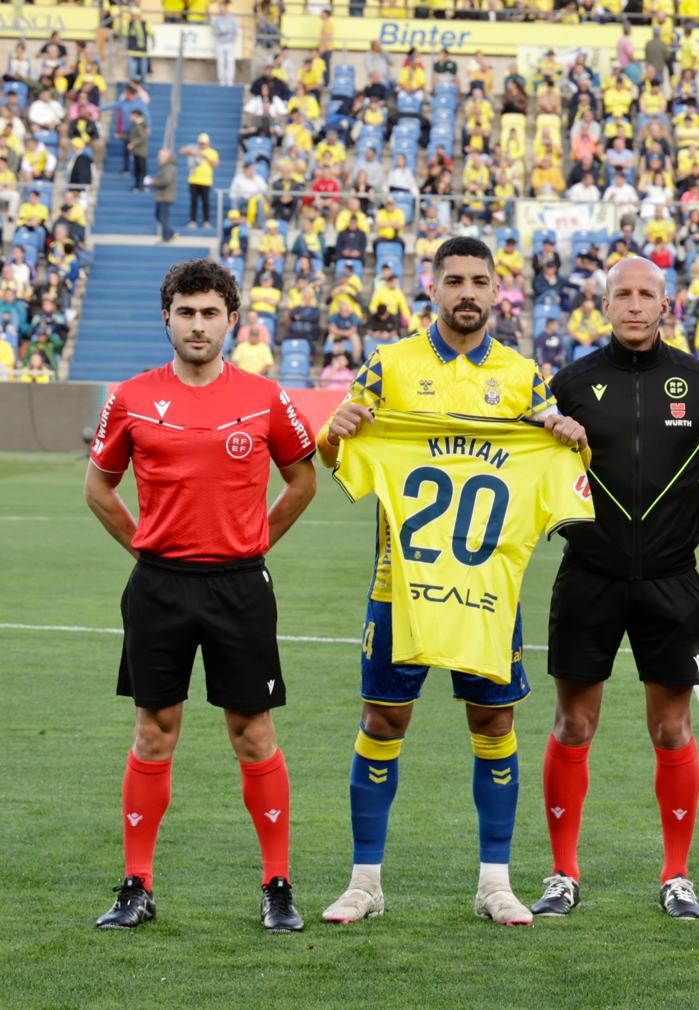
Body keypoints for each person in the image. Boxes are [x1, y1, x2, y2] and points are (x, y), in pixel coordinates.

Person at [316, 237, 588, 927]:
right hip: (399, 583)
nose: (467, 291)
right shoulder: (390, 366)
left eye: (479, 280)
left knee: (494, 720)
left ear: (498, 290)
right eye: (454, 280)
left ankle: (494, 882)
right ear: (431, 287)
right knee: (383, 717)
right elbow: (338, 454)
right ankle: (364, 881)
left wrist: (561, 432)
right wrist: (332, 432)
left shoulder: (524, 378)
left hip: (489, 589)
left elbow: (556, 457)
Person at [85, 259, 319, 931]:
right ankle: (136, 885)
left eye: (209, 312)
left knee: (252, 732)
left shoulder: (266, 397)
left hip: (239, 586)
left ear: (231, 321)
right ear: (167, 318)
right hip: (158, 585)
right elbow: (99, 488)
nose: (197, 325)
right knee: (154, 731)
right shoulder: (130, 397)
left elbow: (301, 481)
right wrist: (143, 546)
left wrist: (258, 539)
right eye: (185, 312)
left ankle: (277, 885)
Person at [532, 257, 699, 921]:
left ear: (666, 303)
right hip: (589, 577)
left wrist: (680, 540)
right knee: (574, 722)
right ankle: (563, 873)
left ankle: (676, 876)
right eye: (624, 294)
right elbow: (541, 478)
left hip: (672, 582)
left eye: (647, 294)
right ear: (605, 303)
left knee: (671, 729)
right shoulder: (572, 383)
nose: (636, 305)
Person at [149, 147, 176, 242]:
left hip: (165, 196)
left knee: (163, 217)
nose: (158, 158)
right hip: (161, 196)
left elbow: (166, 180)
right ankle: (170, 233)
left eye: (160, 156)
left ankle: (166, 237)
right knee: (159, 216)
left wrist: (153, 182)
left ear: (166, 157)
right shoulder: (164, 167)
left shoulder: (169, 167)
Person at [211, 0, 239, 86]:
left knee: (230, 62)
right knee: (221, 62)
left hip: (229, 43)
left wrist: (229, 38)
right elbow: (214, 31)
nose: (220, 8)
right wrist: (221, 33)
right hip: (220, 43)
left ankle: (230, 80)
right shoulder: (217, 18)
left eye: (222, 6)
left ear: (226, 6)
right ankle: (222, 81)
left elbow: (235, 31)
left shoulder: (232, 18)